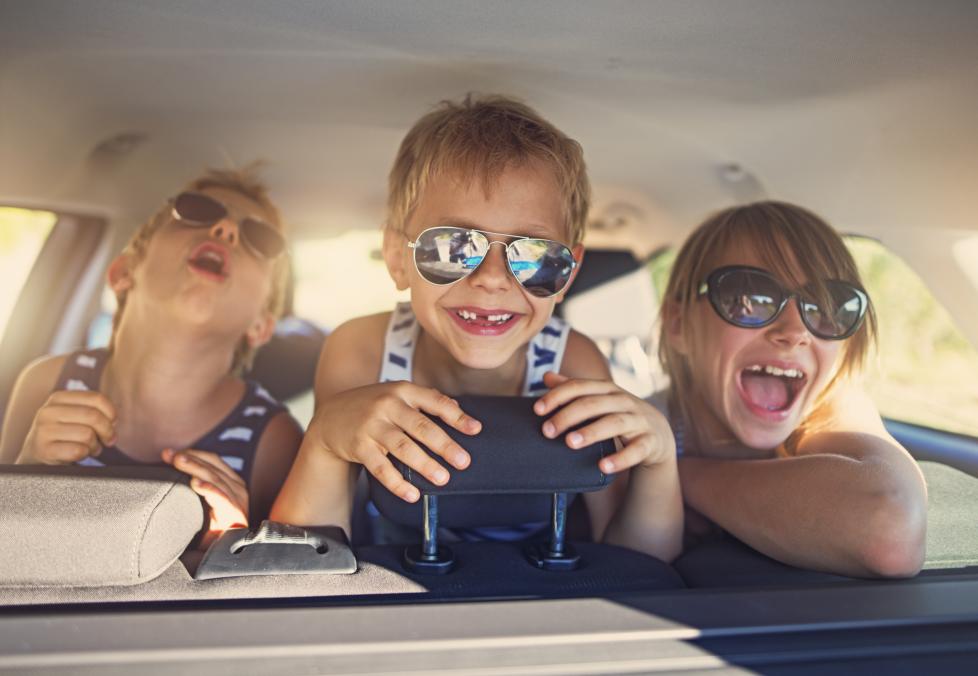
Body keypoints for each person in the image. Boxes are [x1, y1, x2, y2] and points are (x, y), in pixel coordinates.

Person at [272, 95, 683, 561]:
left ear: (566, 274)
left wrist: (661, 461)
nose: (491, 278)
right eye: (451, 245)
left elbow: (632, 562)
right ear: (396, 258)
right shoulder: (360, 352)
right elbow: (303, 560)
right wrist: (324, 441)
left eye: (533, 255)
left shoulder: (574, 362)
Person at [0, 166, 304, 547]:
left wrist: (230, 547)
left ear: (261, 325)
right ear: (124, 271)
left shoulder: (272, 441)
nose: (225, 230)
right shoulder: (47, 382)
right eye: (197, 211)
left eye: (259, 238)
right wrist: (27, 470)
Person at [656, 200, 927, 577]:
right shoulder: (638, 429)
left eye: (827, 306)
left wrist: (680, 476)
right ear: (678, 324)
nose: (795, 331)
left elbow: (890, 527)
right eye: (748, 299)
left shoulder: (830, 409)